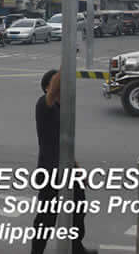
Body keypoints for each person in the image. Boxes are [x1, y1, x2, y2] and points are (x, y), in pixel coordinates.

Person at [32, 69, 96, 254]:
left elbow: (65, 146)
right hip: (50, 172)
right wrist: (67, 62)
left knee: (79, 209)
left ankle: (77, 248)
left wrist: (78, 170)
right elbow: (53, 93)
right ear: (47, 88)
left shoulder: (63, 109)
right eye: (57, 83)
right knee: (47, 218)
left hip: (68, 170)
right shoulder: (43, 105)